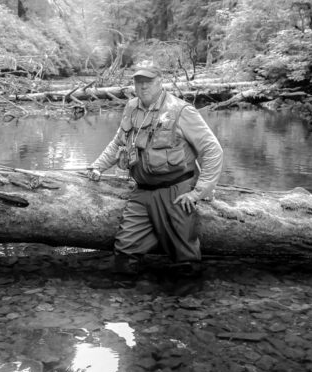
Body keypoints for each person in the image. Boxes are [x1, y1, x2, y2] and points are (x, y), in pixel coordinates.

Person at [87, 61, 224, 278]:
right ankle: (123, 294)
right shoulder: (131, 107)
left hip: (177, 191)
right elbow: (118, 142)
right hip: (141, 191)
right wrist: (98, 166)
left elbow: (213, 150)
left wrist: (199, 192)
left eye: (148, 81)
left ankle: (186, 302)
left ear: (160, 81)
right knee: (125, 247)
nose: (142, 86)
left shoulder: (181, 111)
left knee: (184, 255)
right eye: (138, 81)